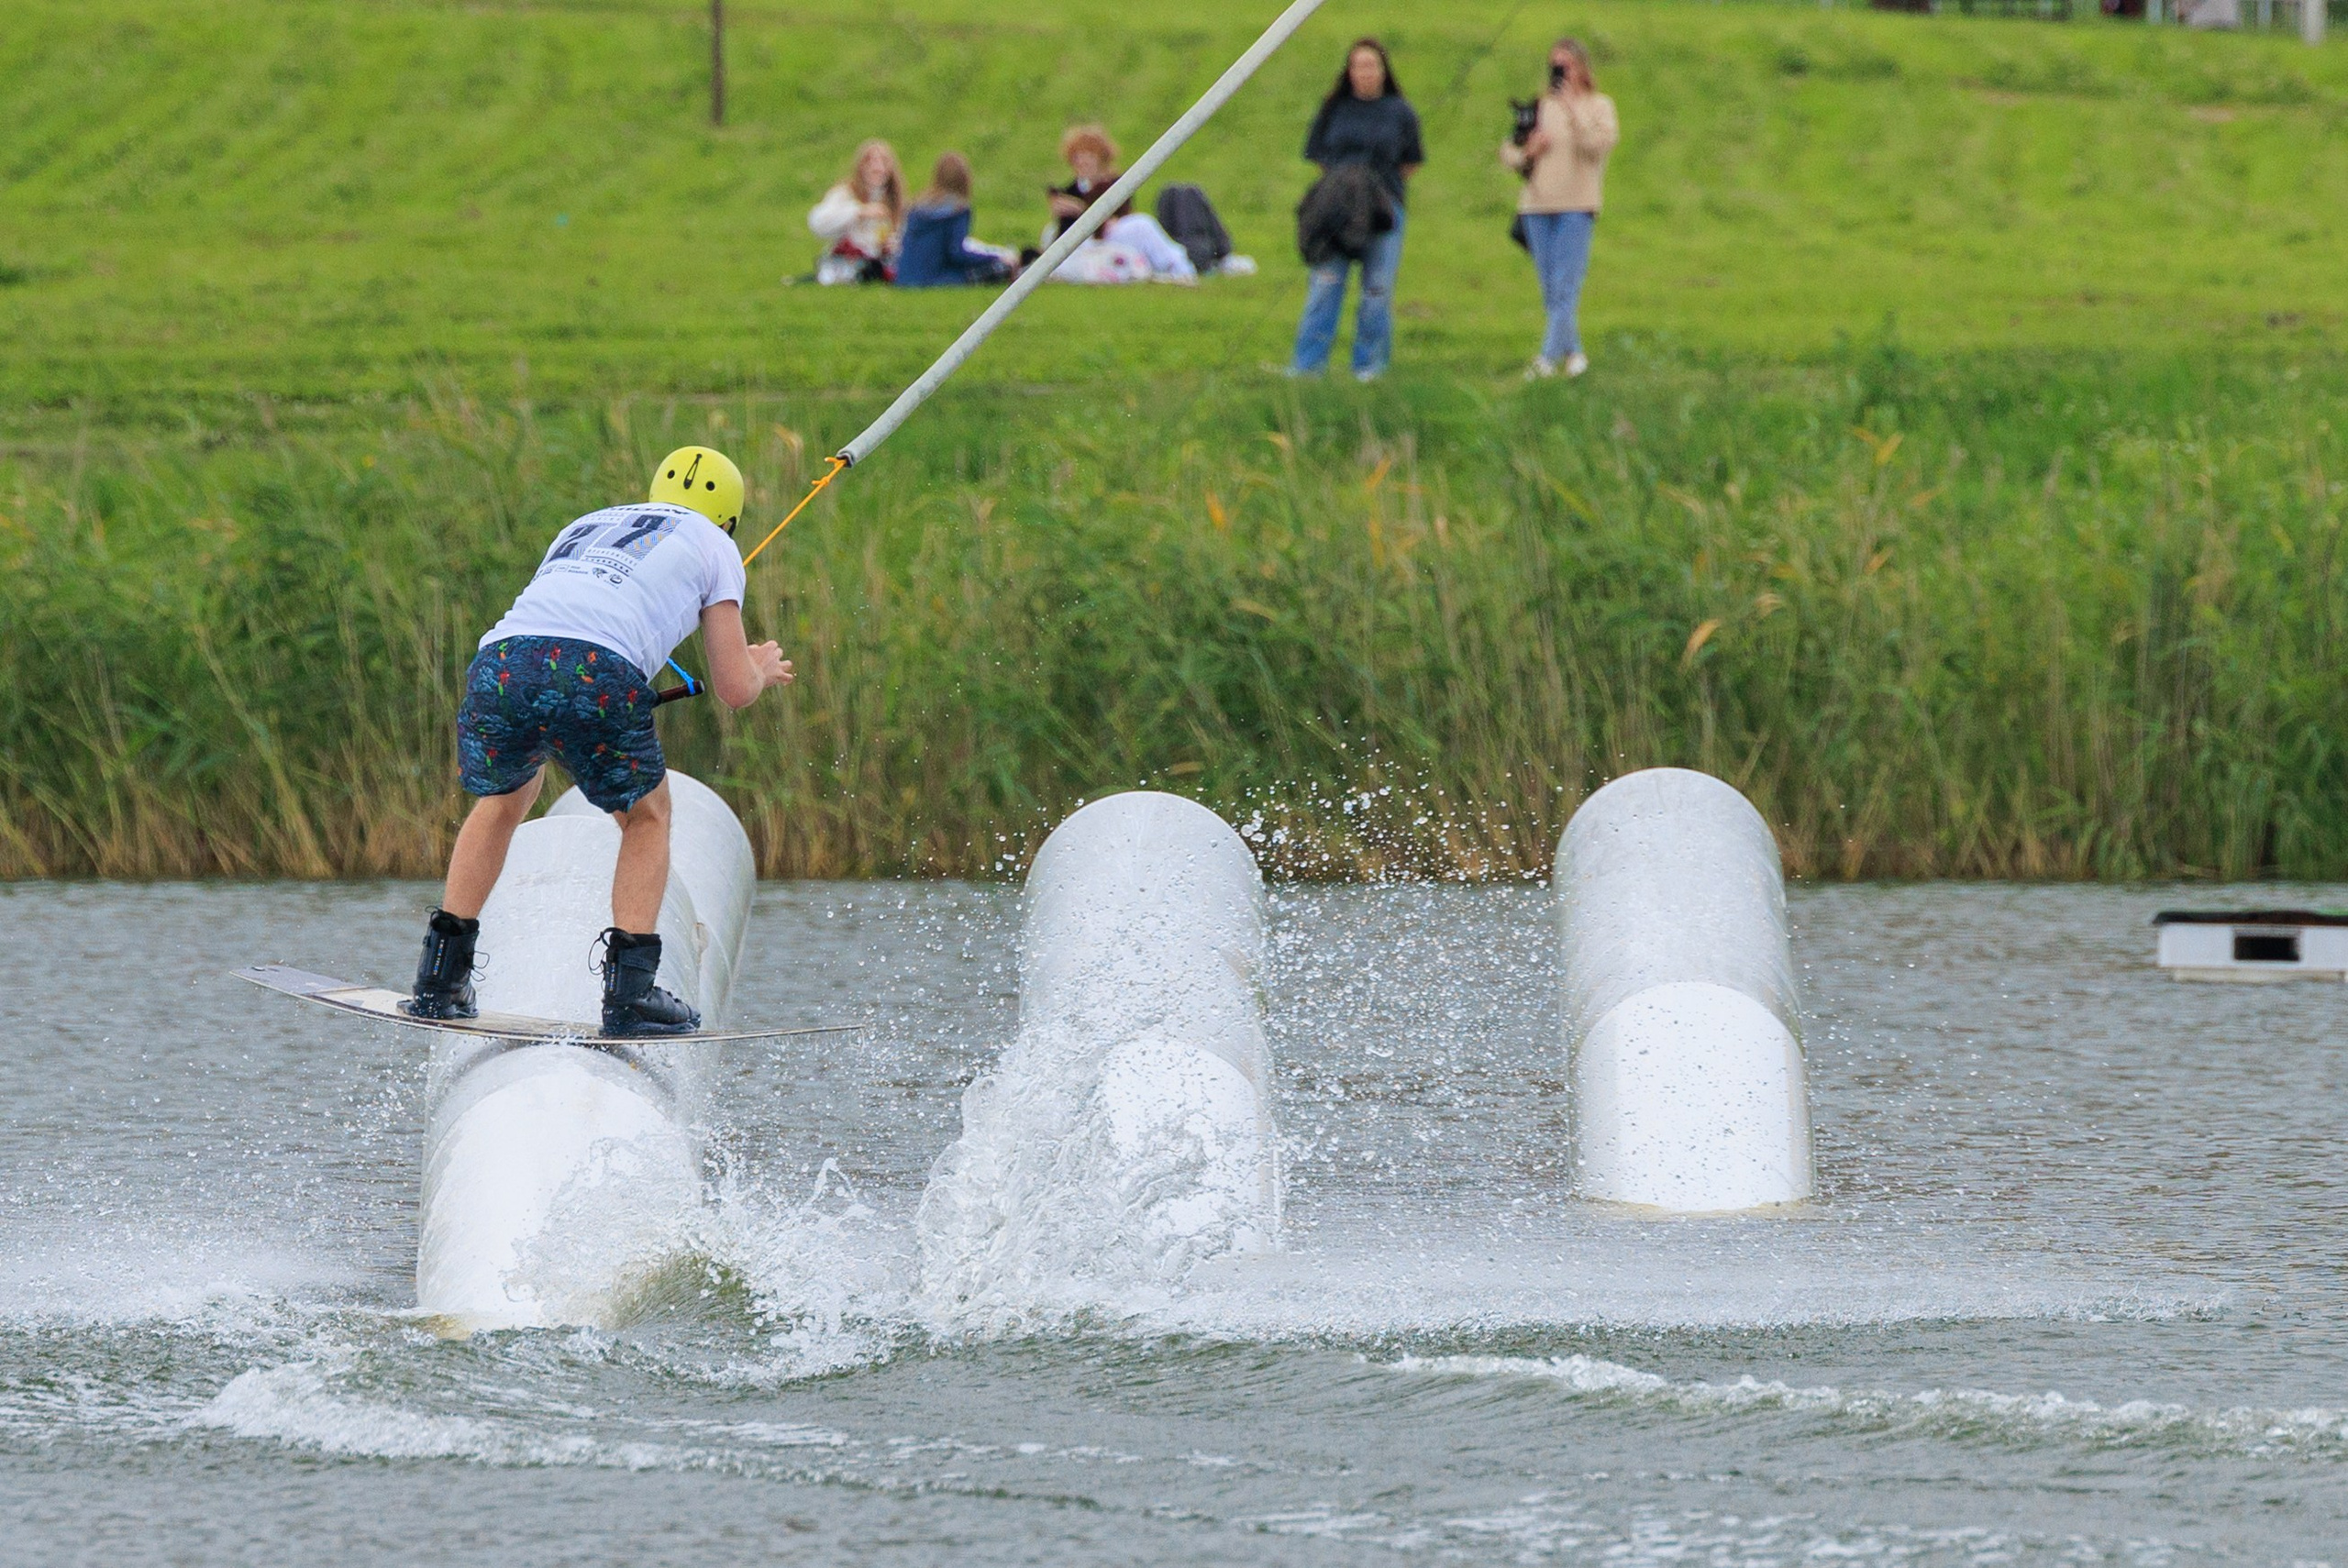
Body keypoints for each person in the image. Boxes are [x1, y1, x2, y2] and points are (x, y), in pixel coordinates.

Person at [404, 447, 792, 1037]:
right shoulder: (718, 545)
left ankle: (439, 979)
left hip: (502, 660)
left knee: (505, 798)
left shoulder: (589, 522)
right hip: (593, 668)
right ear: (729, 519)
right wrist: (761, 667)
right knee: (648, 815)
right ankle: (630, 994)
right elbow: (734, 688)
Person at [1290, 39, 1423, 382]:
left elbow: (1411, 161)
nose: (1365, 73)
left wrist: (1374, 189)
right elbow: (1317, 153)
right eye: (1358, 66)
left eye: (1371, 65)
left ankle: (1370, 368)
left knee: (1377, 288)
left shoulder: (1400, 111)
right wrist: (1346, 185)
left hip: (1382, 208)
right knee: (1325, 283)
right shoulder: (1334, 108)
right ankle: (1307, 367)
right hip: (1337, 209)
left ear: (1383, 70)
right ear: (1348, 71)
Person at [1501, 39, 1619, 379]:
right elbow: (1508, 151)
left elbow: (1598, 147)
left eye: (1566, 65)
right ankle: (1575, 354)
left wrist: (1572, 111)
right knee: (1551, 287)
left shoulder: (1599, 106)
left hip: (1577, 205)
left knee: (1566, 284)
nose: (1560, 72)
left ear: (1581, 68)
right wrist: (1528, 152)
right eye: (1555, 65)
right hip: (1536, 205)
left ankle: (1547, 359)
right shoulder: (1540, 107)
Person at [895, 153, 1019, 287]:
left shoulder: (917, 208)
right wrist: (995, 257)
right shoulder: (958, 210)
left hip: (905, 278)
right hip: (938, 278)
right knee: (1000, 268)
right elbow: (957, 253)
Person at [808, 140, 905, 284]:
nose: (877, 167)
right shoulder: (845, 193)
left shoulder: (894, 201)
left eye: (883, 162)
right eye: (870, 161)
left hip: (881, 266)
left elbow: (904, 237)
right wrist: (858, 212)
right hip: (849, 263)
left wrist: (894, 245)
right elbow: (817, 223)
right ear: (861, 167)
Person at [1044, 125, 1123, 243]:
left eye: (1089, 156)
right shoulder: (1071, 190)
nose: (1082, 162)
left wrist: (1081, 210)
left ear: (1102, 158)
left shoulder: (1119, 185)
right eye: (1077, 157)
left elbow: (1122, 222)